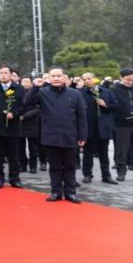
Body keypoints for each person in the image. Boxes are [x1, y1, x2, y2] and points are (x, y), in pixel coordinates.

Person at [23, 67, 87, 203]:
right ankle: (55, 192)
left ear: (64, 77)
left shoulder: (75, 94)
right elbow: (26, 103)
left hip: (70, 135)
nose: (56, 78)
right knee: (55, 166)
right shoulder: (42, 92)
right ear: (49, 78)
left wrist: (82, 136)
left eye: (59, 76)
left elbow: (81, 117)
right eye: (53, 76)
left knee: (70, 166)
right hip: (50, 135)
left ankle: (70, 193)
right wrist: (35, 87)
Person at [80, 72, 118, 184]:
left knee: (104, 153)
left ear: (94, 78)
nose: (87, 81)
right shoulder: (80, 92)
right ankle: (87, 174)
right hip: (88, 127)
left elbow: (115, 105)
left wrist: (105, 105)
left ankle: (106, 176)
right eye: (84, 79)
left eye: (89, 78)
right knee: (87, 153)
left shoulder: (106, 91)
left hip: (103, 127)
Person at [110, 68, 133, 182]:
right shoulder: (114, 90)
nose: (131, 82)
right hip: (121, 124)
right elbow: (114, 106)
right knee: (122, 150)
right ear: (121, 77)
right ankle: (121, 172)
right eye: (128, 79)